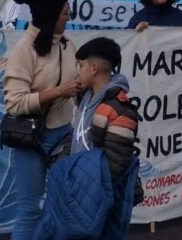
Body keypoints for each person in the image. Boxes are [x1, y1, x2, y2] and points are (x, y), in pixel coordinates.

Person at [2, 0, 80, 240]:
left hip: (63, 137)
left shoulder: (69, 45)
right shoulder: (24, 50)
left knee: (64, 207)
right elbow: (15, 104)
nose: (69, 17)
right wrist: (58, 92)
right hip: (31, 141)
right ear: (49, 16)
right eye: (64, 13)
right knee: (30, 209)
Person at [70, 37, 141, 236]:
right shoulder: (84, 97)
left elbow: (116, 162)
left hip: (97, 196)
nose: (78, 70)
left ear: (93, 69)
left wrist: (91, 191)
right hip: (80, 191)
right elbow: (76, 137)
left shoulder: (119, 109)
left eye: (81, 65)